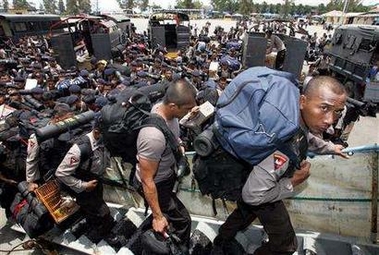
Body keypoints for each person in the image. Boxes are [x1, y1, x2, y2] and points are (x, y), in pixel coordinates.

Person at [211, 76, 347, 255]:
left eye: (337, 111)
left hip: (256, 176)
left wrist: (330, 148)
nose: (330, 120)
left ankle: (221, 241)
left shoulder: (295, 115)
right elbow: (253, 195)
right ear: (302, 101)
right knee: (286, 244)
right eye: (324, 108)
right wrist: (293, 181)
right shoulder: (283, 149)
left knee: (246, 211)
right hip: (264, 187)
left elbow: (305, 137)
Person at [134, 79, 197, 251]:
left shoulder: (169, 114)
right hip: (156, 183)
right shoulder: (152, 136)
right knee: (183, 220)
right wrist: (156, 216)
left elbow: (173, 137)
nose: (190, 110)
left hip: (166, 177)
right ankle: (178, 249)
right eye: (187, 108)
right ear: (173, 106)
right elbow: (147, 180)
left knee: (171, 216)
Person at [55, 116, 114, 243]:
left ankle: (94, 224)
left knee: (95, 208)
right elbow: (61, 173)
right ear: (97, 132)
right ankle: (99, 235)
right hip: (84, 186)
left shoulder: (103, 140)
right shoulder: (79, 149)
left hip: (95, 180)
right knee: (103, 212)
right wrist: (83, 185)